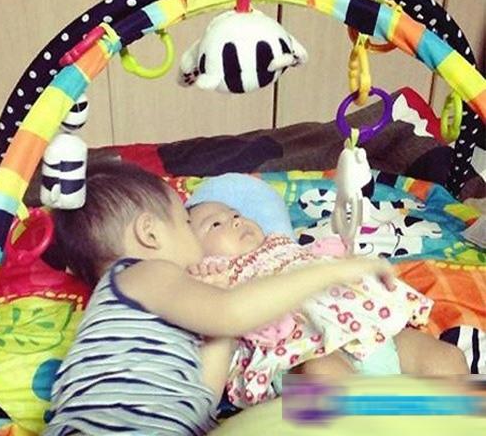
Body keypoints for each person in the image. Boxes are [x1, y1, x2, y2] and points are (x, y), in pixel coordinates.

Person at [43, 160, 391, 436]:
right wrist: (332, 272)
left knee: (299, 405)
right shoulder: (143, 273)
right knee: (302, 403)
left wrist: (217, 309)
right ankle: (400, 409)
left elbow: (205, 396)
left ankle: (399, 407)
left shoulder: (134, 309)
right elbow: (232, 313)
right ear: (150, 234)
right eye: (184, 222)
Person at [187, 198, 469, 408]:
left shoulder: (285, 245)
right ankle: (380, 421)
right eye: (215, 224)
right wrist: (205, 281)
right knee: (322, 376)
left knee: (446, 360)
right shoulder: (215, 276)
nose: (235, 221)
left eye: (235, 214)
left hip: (372, 331)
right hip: (303, 351)